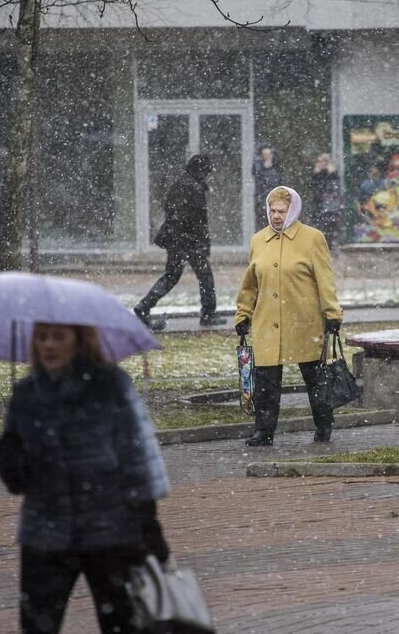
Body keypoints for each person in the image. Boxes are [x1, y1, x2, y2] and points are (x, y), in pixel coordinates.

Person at [0, 322, 173, 634]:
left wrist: (148, 525)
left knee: (121, 633)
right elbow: (18, 481)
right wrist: (7, 455)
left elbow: (137, 453)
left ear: (78, 339)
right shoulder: (26, 394)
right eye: (41, 337)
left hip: (109, 529)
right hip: (46, 535)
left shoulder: (110, 385)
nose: (48, 345)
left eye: (58, 336)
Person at [234, 185, 343, 446]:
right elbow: (250, 284)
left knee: (315, 379)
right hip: (266, 324)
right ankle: (264, 431)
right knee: (266, 383)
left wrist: (331, 313)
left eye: (281, 211)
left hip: (304, 322)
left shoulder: (313, 238)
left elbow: (324, 280)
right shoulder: (258, 241)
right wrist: (243, 313)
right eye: (272, 211)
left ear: (292, 210)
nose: (276, 216)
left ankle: (323, 426)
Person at [135, 154, 224, 330]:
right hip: (189, 241)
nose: (207, 174)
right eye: (206, 171)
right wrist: (201, 242)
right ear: (201, 170)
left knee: (171, 276)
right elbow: (198, 219)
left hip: (177, 240)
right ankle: (208, 313)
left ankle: (144, 306)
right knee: (205, 276)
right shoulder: (193, 188)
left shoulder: (180, 184)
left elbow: (172, 210)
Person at [309, 152, 344, 255]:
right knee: (320, 225)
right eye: (319, 161)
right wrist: (316, 174)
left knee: (330, 225)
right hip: (319, 204)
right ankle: (323, 246)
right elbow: (314, 188)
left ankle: (330, 245)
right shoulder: (316, 173)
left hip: (329, 205)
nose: (321, 163)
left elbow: (332, 188)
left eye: (323, 161)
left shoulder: (332, 173)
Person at [251, 143, 284, 220]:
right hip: (262, 203)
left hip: (275, 202)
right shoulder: (258, 168)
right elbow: (259, 179)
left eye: (269, 155)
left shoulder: (277, 170)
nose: (268, 157)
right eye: (265, 155)